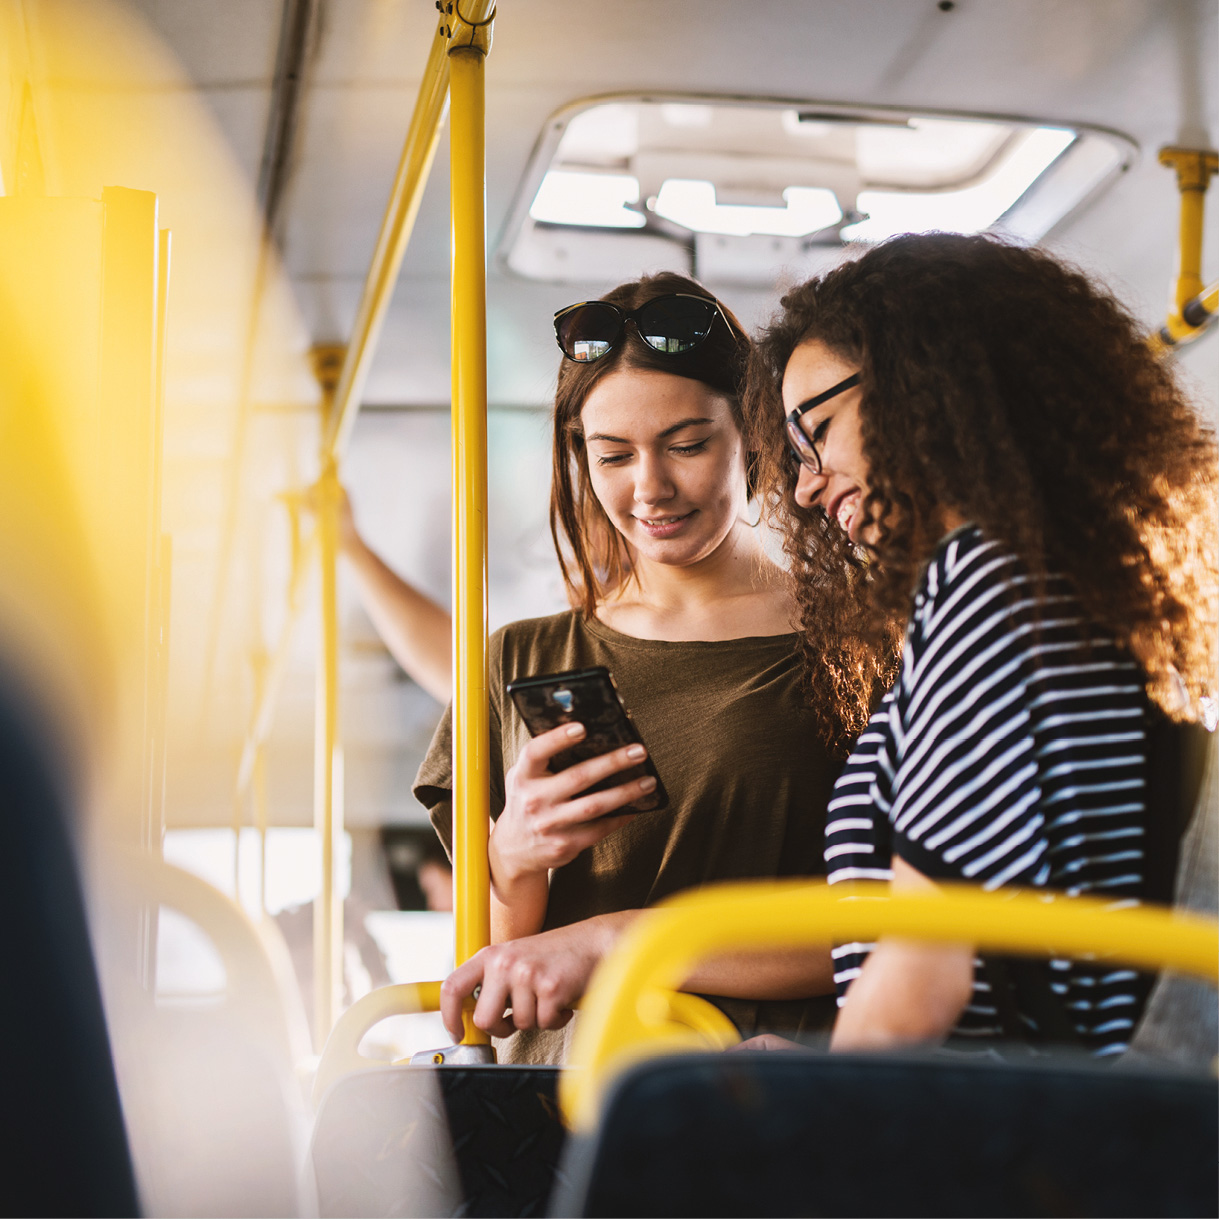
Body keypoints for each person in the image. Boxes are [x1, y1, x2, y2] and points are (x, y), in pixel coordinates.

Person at [745, 232, 1216, 1056]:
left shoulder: (984, 581)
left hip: (1025, 1114)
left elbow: (923, 981)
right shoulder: (1079, 579)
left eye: (816, 431)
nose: (807, 484)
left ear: (923, 386)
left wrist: (819, 1105)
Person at [417, 273, 858, 1063]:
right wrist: (514, 860)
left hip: (768, 1082)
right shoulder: (518, 659)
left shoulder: (856, 637)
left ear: (753, 435)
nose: (649, 487)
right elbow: (489, 978)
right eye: (613, 455)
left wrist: (618, 941)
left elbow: (896, 925)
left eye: (687, 445)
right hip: (565, 1092)